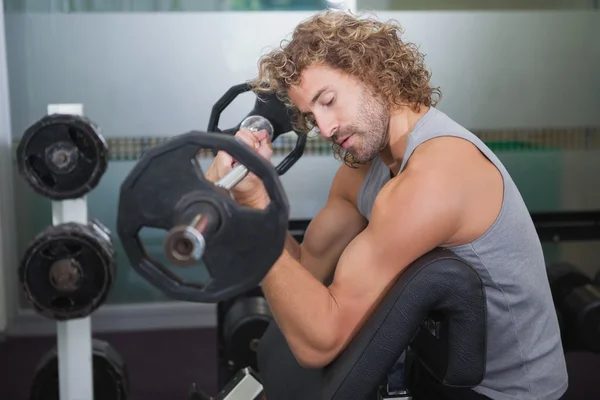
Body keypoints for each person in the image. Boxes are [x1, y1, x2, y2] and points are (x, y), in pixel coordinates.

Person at [206, 9, 568, 400]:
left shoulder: (436, 175)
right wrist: (248, 195)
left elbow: (317, 344)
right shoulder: (363, 169)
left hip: (510, 393)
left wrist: (259, 207)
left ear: (372, 71)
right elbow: (306, 273)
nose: (325, 129)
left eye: (328, 100)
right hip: (435, 368)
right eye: (312, 116)